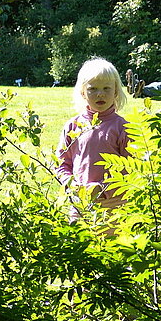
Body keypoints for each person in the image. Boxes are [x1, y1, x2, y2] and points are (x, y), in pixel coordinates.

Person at [56, 57, 130, 224]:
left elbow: (130, 168)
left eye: (106, 88)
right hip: (80, 203)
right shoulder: (72, 126)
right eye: (93, 89)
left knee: (112, 247)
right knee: (81, 245)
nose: (100, 94)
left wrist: (103, 188)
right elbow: (62, 163)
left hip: (114, 206)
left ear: (116, 92)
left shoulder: (122, 128)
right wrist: (71, 184)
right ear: (83, 92)